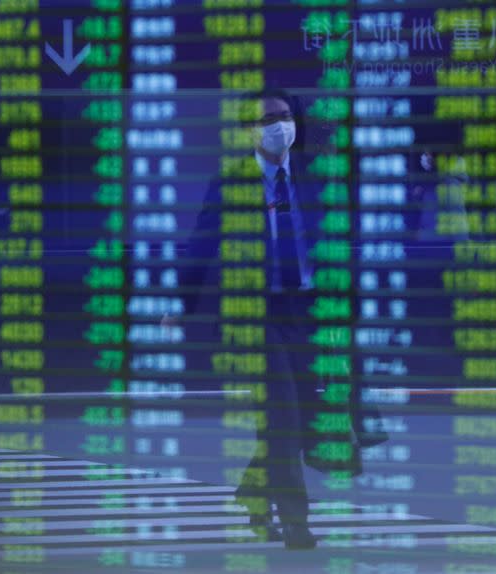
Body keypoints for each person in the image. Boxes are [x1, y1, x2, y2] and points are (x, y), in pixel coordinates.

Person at [168, 88, 322, 549]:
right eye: (269, 118)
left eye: (286, 116)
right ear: (249, 131)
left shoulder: (314, 180)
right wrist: (182, 302)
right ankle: (296, 521)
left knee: (309, 419)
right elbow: (201, 245)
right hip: (256, 317)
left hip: (307, 312)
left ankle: (254, 493)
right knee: (282, 418)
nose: (280, 125)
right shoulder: (230, 184)